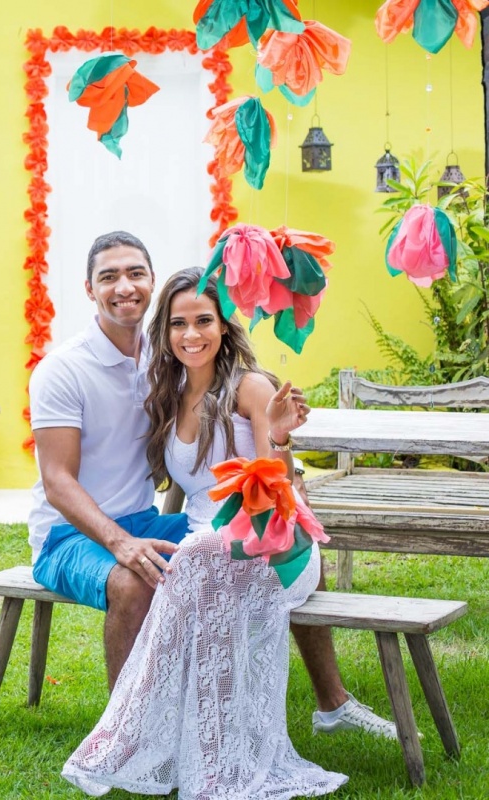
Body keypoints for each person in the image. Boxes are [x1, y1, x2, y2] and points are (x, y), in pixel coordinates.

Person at [27, 232, 394, 728]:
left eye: (135, 273)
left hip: (145, 520)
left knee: (275, 547)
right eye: (108, 276)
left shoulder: (164, 364)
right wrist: (122, 544)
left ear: (151, 282)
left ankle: (330, 701)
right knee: (136, 583)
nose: (124, 286)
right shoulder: (63, 370)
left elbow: (212, 443)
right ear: (89, 289)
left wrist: (284, 471)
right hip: (68, 534)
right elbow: (56, 481)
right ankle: (128, 732)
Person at [60, 266, 347, 797]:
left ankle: (177, 751)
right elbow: (189, 494)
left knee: (194, 563)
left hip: (268, 549)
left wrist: (279, 437)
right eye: (178, 323)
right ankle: (169, 743)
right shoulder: (171, 392)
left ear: (224, 326)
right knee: (193, 561)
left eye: (204, 321)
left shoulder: (249, 387)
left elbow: (278, 491)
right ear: (164, 333)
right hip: (204, 555)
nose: (191, 334)